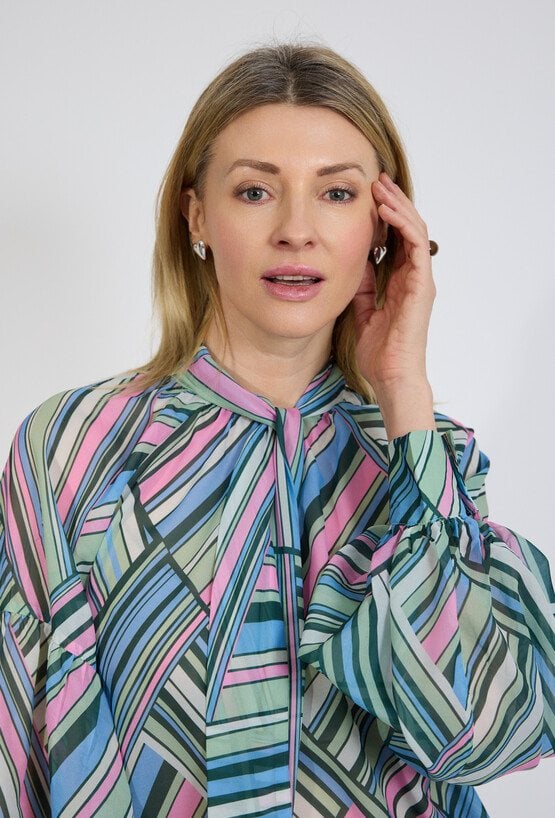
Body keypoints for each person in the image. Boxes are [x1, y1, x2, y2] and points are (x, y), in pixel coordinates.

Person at [0, 40, 553, 818]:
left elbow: (482, 735)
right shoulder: (75, 447)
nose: (296, 229)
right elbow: (17, 749)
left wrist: (403, 388)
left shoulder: (427, 456)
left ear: (382, 226)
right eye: (255, 191)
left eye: (336, 193)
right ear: (197, 214)